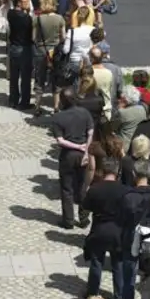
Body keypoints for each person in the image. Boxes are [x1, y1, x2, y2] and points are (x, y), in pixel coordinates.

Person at [81, 157, 131, 299]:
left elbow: (85, 206)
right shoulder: (125, 191)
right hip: (118, 231)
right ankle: (119, 294)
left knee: (97, 262)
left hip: (99, 229)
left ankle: (93, 292)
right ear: (117, 172)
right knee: (118, 263)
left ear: (102, 171)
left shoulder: (95, 189)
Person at [51, 88, 93, 229]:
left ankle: (68, 220)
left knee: (67, 188)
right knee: (82, 186)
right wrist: (85, 149)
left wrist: (76, 146)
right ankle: (84, 218)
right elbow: (90, 133)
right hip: (83, 154)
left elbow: (60, 141)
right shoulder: (85, 113)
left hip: (68, 155)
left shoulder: (58, 118)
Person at [7, 0, 35, 109]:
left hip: (13, 47)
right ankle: (24, 101)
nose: (28, 4)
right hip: (24, 48)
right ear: (19, 2)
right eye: (26, 2)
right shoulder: (26, 18)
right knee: (25, 77)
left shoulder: (10, 13)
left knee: (14, 75)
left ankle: (13, 99)